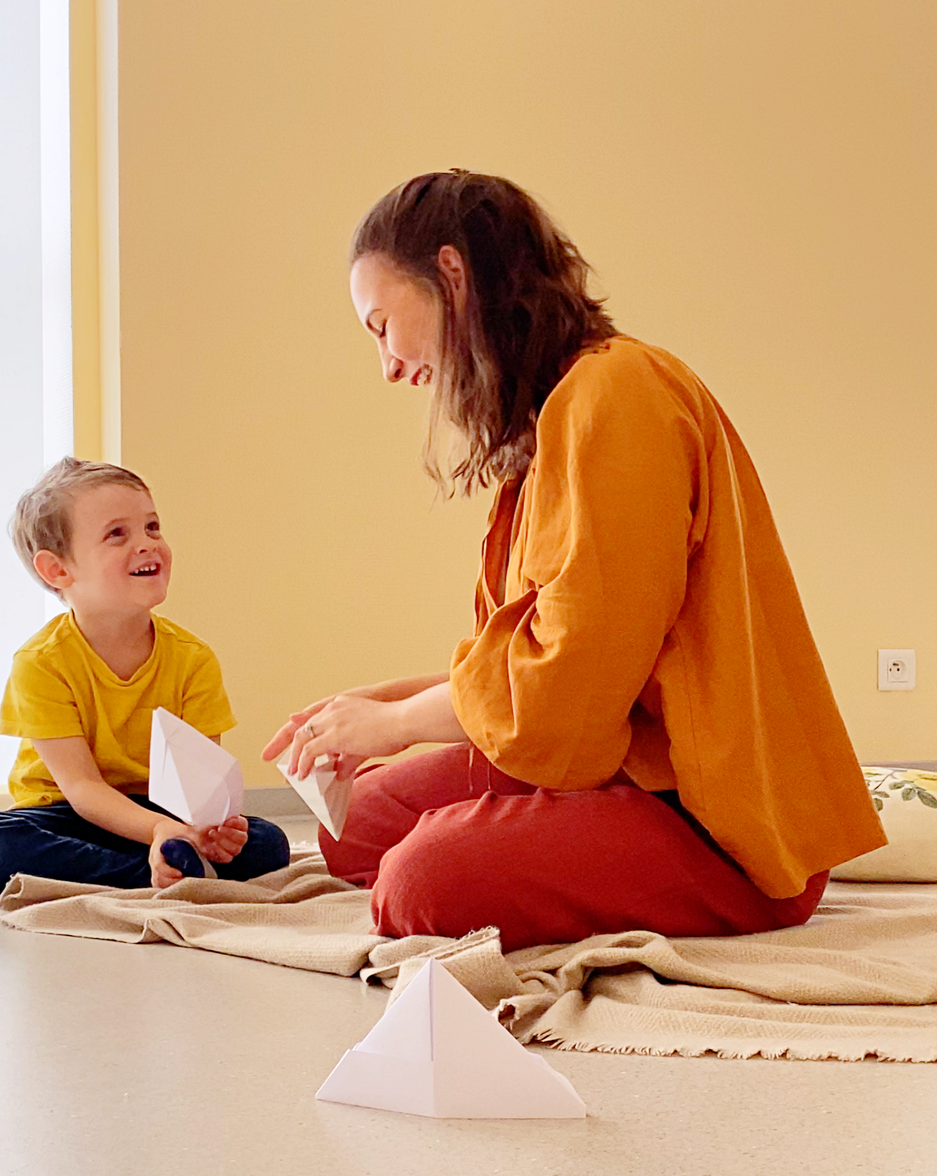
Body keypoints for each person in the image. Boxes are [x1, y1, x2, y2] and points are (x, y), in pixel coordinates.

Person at [263, 169, 885, 952]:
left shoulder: (617, 395)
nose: (388, 365)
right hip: (621, 760)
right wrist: (367, 709)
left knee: (416, 880)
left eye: (382, 325)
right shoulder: (554, 417)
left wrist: (392, 723)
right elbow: (529, 665)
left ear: (451, 276)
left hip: (710, 817)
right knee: (357, 827)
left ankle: (695, 879)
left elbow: (564, 691)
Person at [0, 458, 290, 890]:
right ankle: (153, 870)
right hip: (67, 811)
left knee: (269, 842)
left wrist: (209, 829)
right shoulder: (40, 663)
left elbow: (201, 783)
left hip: (161, 807)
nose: (147, 544)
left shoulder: (193, 658)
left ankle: (175, 862)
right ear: (58, 570)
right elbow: (81, 789)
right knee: (7, 841)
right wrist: (156, 832)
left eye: (152, 527)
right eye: (118, 534)